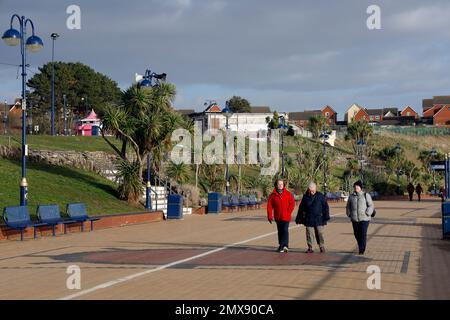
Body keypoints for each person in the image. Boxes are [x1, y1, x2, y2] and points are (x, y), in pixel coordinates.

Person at [295, 182, 330, 253]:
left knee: (319, 233)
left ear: (315, 189)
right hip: (309, 218)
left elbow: (325, 207)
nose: (311, 192)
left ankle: (321, 246)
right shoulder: (305, 197)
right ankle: (310, 247)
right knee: (309, 233)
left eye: (313, 190)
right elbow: (301, 208)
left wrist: (326, 216)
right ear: (308, 189)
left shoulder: (320, 196)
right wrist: (298, 217)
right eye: (310, 190)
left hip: (319, 218)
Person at [267, 179, 295, 253]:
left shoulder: (288, 193)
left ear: (284, 185)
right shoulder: (272, 195)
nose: (280, 185)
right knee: (280, 231)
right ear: (276, 185)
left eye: (281, 184)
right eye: (279, 184)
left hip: (286, 216)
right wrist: (269, 216)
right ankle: (283, 245)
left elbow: (292, 203)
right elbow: (269, 206)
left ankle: (283, 246)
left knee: (285, 230)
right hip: (278, 216)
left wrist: (288, 212)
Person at [346, 181, 374, 255]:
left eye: (357, 187)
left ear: (360, 187)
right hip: (354, 219)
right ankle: (360, 245)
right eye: (355, 187)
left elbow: (371, 205)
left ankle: (362, 249)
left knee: (363, 233)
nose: (356, 188)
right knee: (356, 234)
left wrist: (367, 213)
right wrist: (349, 214)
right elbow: (348, 206)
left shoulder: (365, 195)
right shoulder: (351, 196)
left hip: (364, 218)